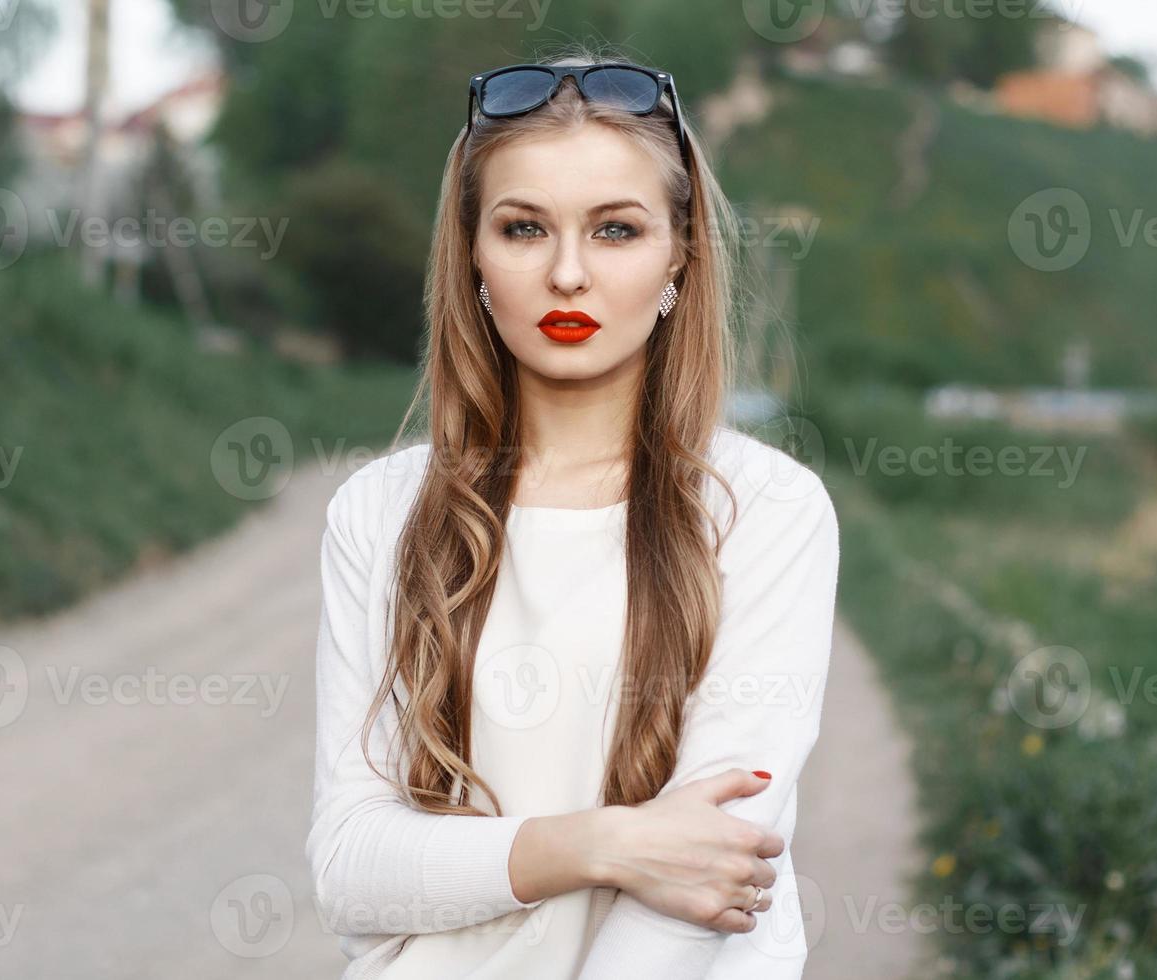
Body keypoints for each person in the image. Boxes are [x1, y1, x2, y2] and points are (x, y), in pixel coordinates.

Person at [306, 44, 840, 979]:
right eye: (522, 229)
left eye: (615, 231)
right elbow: (352, 870)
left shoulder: (766, 511)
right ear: (472, 255)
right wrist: (605, 845)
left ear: (679, 256)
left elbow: (714, 870)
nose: (565, 274)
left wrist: (536, 857)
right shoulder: (377, 513)